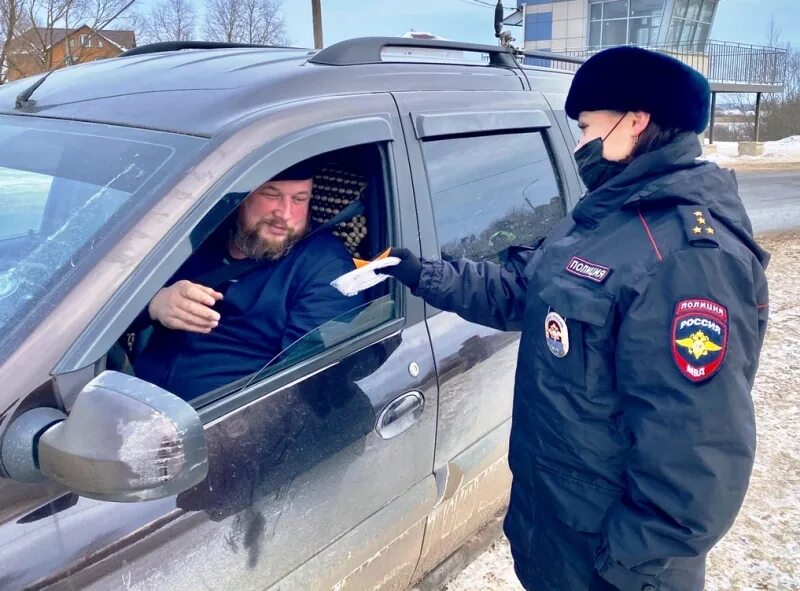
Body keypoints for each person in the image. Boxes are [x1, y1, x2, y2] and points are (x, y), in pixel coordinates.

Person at [385, 46, 769, 591]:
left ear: (635, 122)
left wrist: (631, 570)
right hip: (561, 531)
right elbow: (524, 288)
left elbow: (695, 447)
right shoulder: (603, 220)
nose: (578, 142)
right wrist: (423, 274)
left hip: (615, 566)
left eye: (587, 127)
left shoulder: (686, 259)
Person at [133, 161, 363, 400]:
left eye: (299, 199)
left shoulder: (325, 267)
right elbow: (107, 306)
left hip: (225, 422)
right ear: (242, 195)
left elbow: (308, 383)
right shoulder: (202, 235)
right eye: (271, 195)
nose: (284, 214)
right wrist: (154, 303)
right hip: (133, 401)